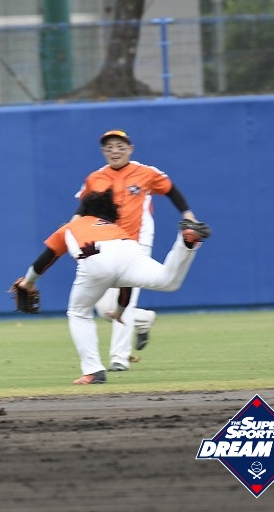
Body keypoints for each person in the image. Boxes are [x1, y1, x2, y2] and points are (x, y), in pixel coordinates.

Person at [17, 189, 210, 384]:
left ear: (85, 210)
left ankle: (93, 370)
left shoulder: (71, 226)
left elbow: (46, 259)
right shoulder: (114, 227)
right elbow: (127, 283)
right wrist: (119, 311)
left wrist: (28, 282)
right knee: (168, 281)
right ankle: (185, 242)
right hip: (128, 249)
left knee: (78, 312)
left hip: (95, 257)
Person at [73, 129, 201, 372]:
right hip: (107, 243)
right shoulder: (95, 178)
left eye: (120, 146)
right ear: (103, 152)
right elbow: (84, 207)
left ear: (130, 149)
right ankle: (144, 319)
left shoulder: (146, 173)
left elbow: (170, 189)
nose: (115, 151)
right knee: (104, 309)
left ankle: (119, 358)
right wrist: (74, 225)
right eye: (109, 147)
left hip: (137, 242)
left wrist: (188, 214)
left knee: (126, 298)